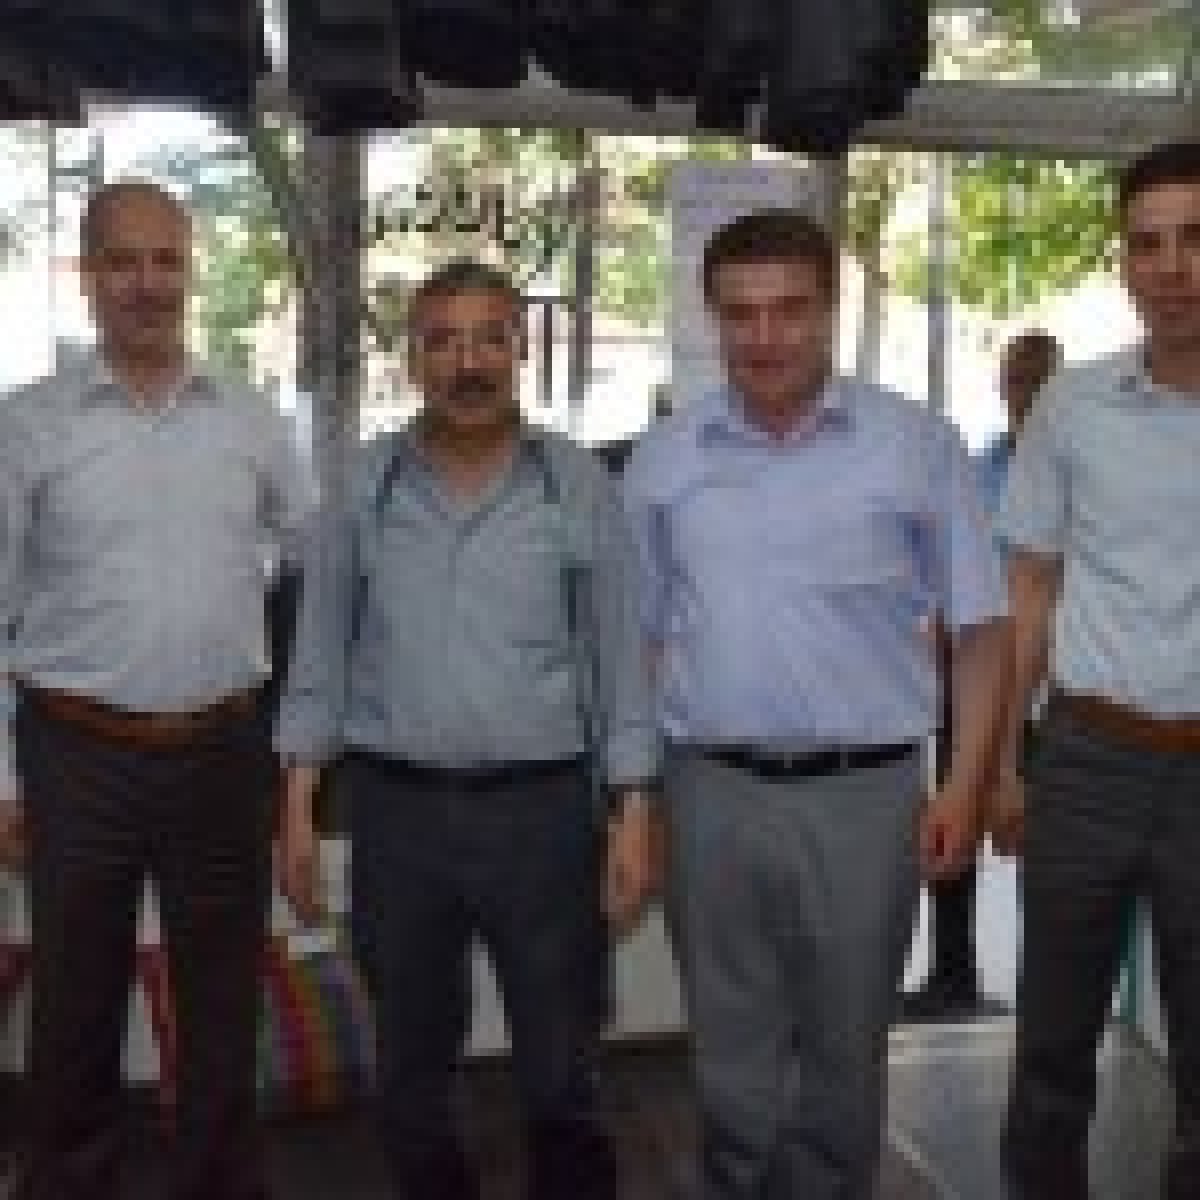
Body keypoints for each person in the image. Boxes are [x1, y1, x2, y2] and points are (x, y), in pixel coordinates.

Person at [624, 208, 1010, 1200]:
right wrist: (637, 802)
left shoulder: (918, 447)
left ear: (831, 312)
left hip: (866, 798)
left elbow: (981, 633)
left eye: (790, 310)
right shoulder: (664, 459)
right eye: (741, 314)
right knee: (727, 1044)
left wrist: (963, 786)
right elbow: (639, 643)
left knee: (846, 1047)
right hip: (708, 791)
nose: (766, 337)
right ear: (713, 318)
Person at [274, 259, 659, 1200]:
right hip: (398, 817)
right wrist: (296, 805)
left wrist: (635, 812)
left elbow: (619, 657)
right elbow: (319, 654)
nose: (469, 363)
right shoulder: (366, 488)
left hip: (544, 817)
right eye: (443, 341)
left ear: (520, 349)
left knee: (560, 1066)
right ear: (413, 358)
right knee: (411, 1069)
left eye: (490, 338)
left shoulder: (574, 484)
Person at [0, 181, 312, 1200]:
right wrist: (3, 779)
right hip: (74, 753)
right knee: (75, 1003)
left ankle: (219, 1183)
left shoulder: (252, 420)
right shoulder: (28, 425)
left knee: (222, 1000)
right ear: (87, 277)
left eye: (166, 260)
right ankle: (67, 1182)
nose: (148, 283)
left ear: (190, 271)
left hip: (223, 753)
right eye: (123, 261)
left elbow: (312, 553)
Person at [993, 141, 1200, 1200]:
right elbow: (1028, 590)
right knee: (1052, 1051)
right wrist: (1004, 762)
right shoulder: (1073, 407)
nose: (1172, 268)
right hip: (1087, 758)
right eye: (1147, 244)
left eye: (1195, 239)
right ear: (1124, 262)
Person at [904, 328, 1061, 1021]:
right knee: (955, 815)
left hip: (1047, 689)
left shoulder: (1069, 465)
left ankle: (1044, 989)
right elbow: (951, 562)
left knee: (1043, 843)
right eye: (1014, 379)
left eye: (1034, 379)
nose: (1021, 392)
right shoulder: (982, 463)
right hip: (971, 677)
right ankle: (952, 975)